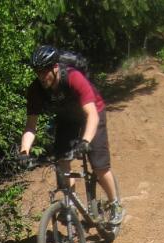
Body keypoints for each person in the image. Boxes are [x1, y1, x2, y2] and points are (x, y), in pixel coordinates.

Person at [19, 44, 124, 228]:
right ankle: (71, 207)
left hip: (92, 113)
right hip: (67, 118)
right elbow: (31, 126)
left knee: (99, 166)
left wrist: (85, 141)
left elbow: (91, 114)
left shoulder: (74, 78)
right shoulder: (35, 90)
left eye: (45, 71)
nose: (42, 77)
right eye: (38, 72)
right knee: (61, 160)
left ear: (55, 67)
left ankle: (115, 204)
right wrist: (24, 151)